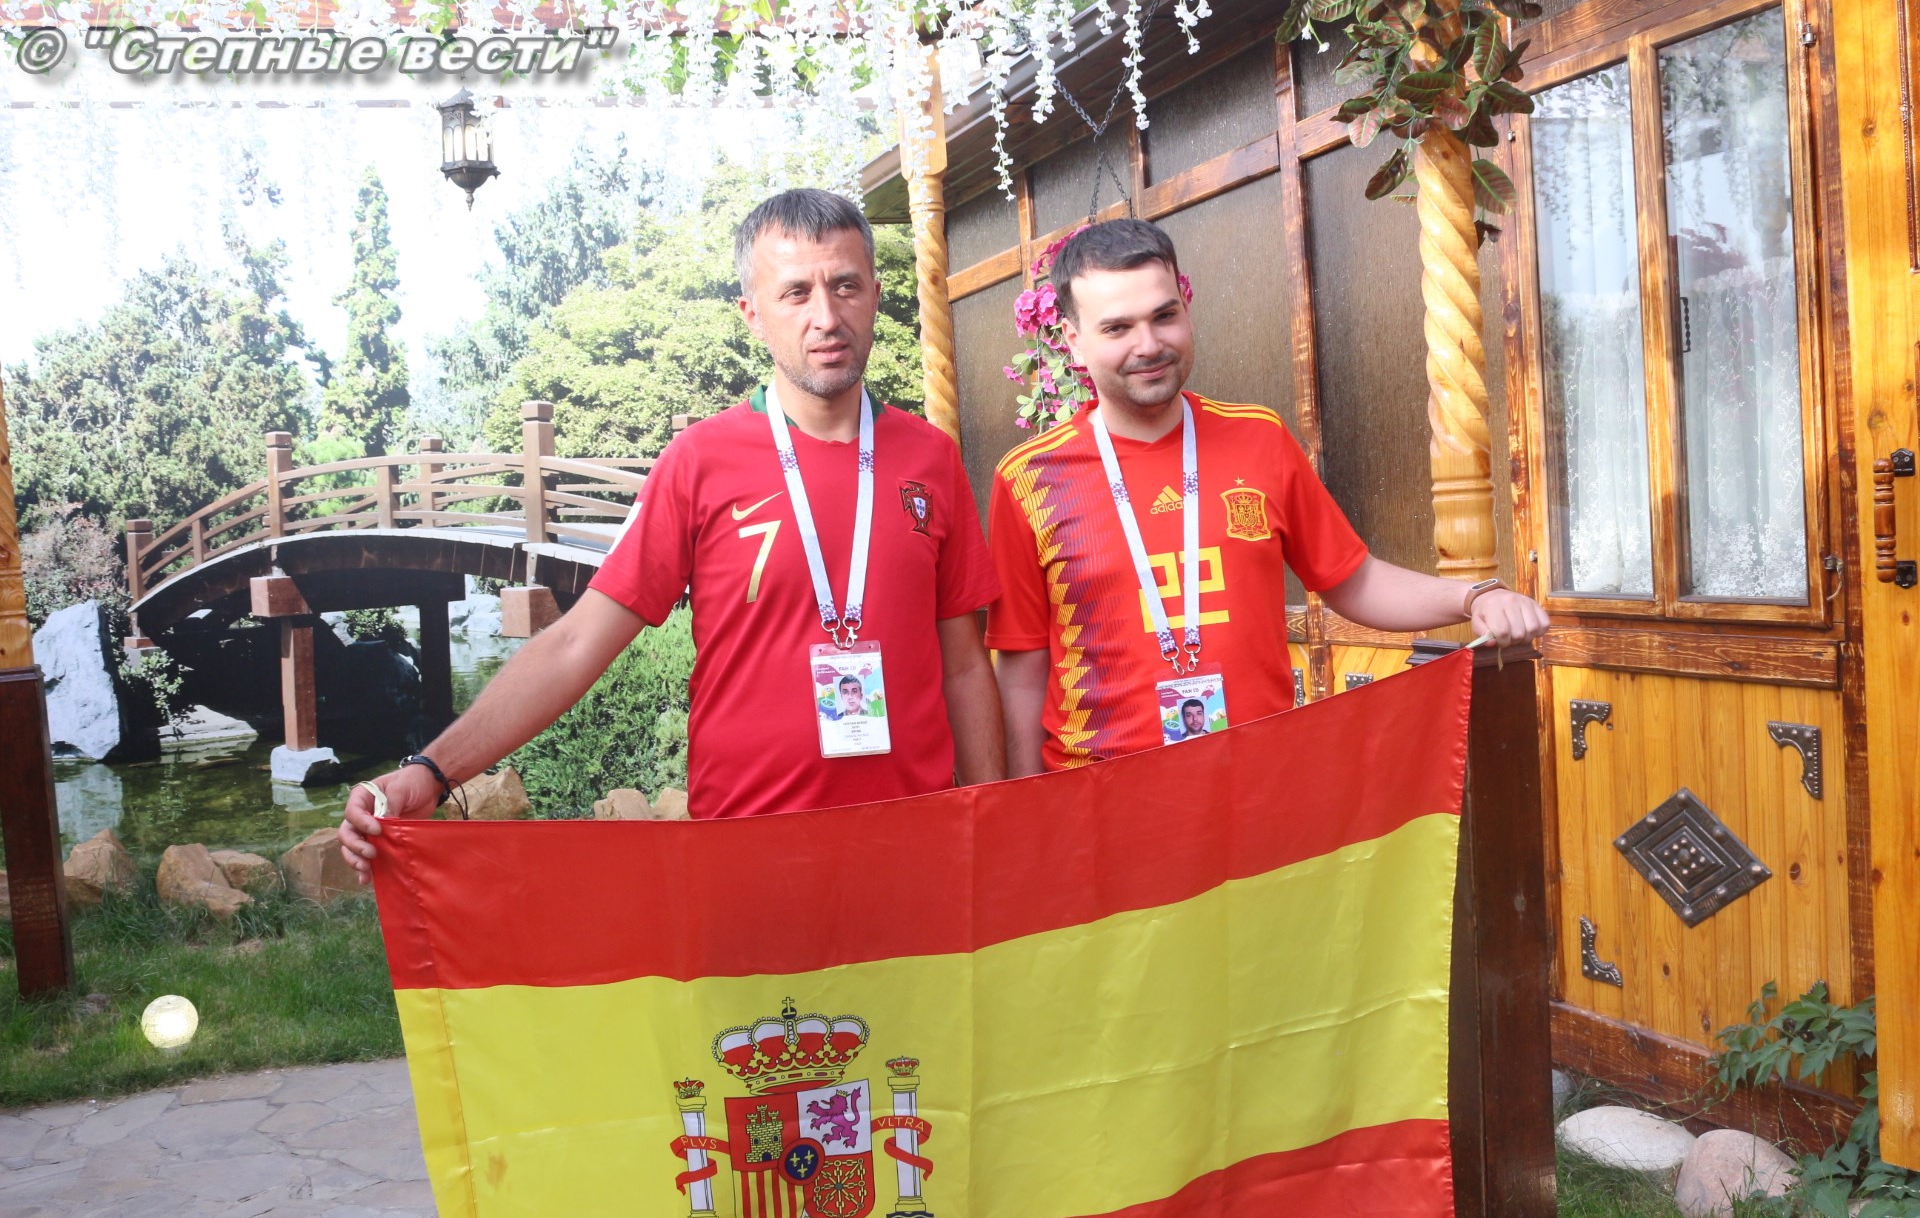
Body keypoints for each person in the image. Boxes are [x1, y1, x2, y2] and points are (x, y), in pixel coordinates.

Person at [340, 189, 1003, 877]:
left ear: (875, 295)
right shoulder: (700, 461)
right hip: (749, 856)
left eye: (845, 286)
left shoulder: (930, 458)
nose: (826, 317)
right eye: (795, 293)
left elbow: (963, 666)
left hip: (915, 850)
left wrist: (995, 821)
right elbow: (574, 643)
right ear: (753, 314)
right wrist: (432, 769)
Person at [988, 218, 1549, 776]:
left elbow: (1351, 580)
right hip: (1101, 797)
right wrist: (1022, 806)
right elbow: (1021, 669)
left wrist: (1474, 597)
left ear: (1186, 309)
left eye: (1164, 316)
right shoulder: (1029, 479)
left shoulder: (1259, 437)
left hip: (1260, 783)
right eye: (1117, 328)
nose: (1149, 345)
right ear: (1074, 341)